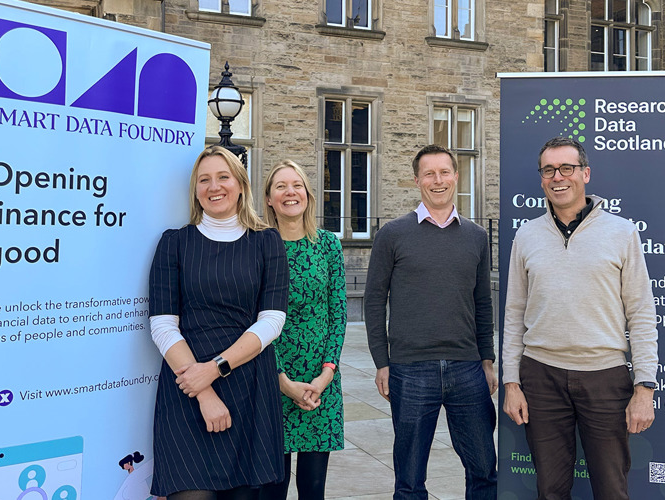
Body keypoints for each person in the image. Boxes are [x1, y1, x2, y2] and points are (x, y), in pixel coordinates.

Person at [502, 136, 658, 499]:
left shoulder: (622, 232)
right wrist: (512, 383)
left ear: (585, 173)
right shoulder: (526, 236)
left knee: (612, 489)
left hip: (605, 378)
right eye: (549, 170)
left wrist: (645, 387)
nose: (558, 177)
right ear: (541, 178)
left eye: (567, 168)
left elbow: (641, 313)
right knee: (550, 489)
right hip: (540, 377)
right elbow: (513, 315)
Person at [148, 146, 289, 500]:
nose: (215, 187)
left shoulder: (266, 242)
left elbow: (272, 321)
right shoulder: (174, 244)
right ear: (195, 190)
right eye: (204, 179)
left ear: (241, 185)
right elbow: (163, 325)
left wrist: (217, 368)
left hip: (248, 385)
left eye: (223, 177)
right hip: (187, 386)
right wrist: (203, 388)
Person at [364, 144, 498, 500]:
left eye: (444, 172)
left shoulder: (477, 237)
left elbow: (483, 303)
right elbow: (374, 301)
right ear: (417, 180)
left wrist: (487, 360)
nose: (437, 181)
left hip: (467, 369)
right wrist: (382, 362)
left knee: (484, 470)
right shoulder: (392, 234)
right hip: (410, 370)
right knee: (409, 480)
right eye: (429, 174)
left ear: (456, 176)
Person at [259, 160, 347, 500]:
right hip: (272, 377)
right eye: (280, 186)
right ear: (268, 198)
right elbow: (255, 319)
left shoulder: (328, 244)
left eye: (296, 185)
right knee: (272, 488)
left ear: (308, 195)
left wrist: (325, 375)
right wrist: (282, 381)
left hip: (318, 382)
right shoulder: (258, 246)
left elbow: (337, 314)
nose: (289, 192)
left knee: (313, 489)